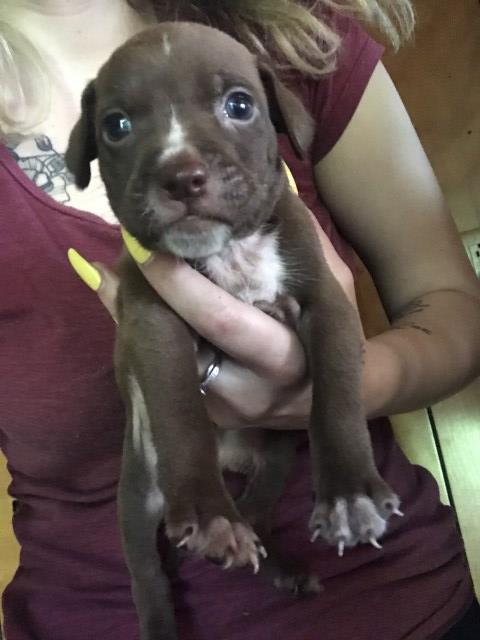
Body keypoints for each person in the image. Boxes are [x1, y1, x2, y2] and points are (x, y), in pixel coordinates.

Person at [1, 1, 479, 638]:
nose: (182, 165)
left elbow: (452, 306)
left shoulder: (292, 31)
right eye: (118, 126)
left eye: (236, 107)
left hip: (392, 596)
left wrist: (347, 387)